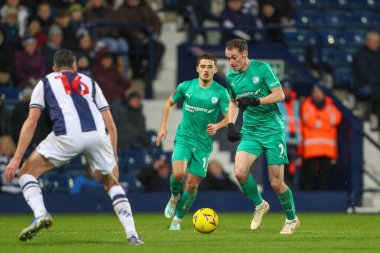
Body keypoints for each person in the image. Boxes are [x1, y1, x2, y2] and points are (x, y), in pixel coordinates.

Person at [4, 49, 143, 245]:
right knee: (111, 182)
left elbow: (32, 121)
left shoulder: (45, 82)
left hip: (67, 135)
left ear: (54, 68)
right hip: (97, 135)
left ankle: (40, 213)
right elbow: (110, 124)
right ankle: (133, 235)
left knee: (27, 172)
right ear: (76, 67)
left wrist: (17, 158)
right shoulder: (90, 81)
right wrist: (113, 157)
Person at [224, 38, 299, 234]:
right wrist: (231, 123)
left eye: (234, 57)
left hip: (272, 131)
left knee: (276, 183)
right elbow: (233, 102)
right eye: (228, 58)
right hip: (250, 132)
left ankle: (291, 219)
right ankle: (260, 205)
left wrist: (256, 101)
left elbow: (280, 95)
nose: (231, 62)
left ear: (245, 54)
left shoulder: (263, 68)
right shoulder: (231, 76)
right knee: (240, 172)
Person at [156, 53, 229, 230]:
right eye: (202, 66)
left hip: (203, 144)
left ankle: (177, 221)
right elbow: (168, 104)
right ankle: (174, 196)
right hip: (184, 138)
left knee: (192, 184)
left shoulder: (220, 92)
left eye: (209, 67)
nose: (206, 70)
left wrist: (218, 126)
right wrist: (163, 127)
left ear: (215, 70)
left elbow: (229, 118)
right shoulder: (186, 86)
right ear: (197, 69)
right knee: (179, 174)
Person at [300, 85, 342, 191]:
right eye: (315, 92)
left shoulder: (330, 106)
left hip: (327, 150)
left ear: (324, 93)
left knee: (325, 179)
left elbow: (336, 119)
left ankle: (326, 203)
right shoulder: (307, 105)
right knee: (309, 177)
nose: (317, 94)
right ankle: (308, 203)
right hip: (311, 150)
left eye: (320, 92)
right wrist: (327, 125)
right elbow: (309, 120)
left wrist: (319, 116)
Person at [277, 81, 302, 188]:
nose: (286, 91)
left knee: (294, 171)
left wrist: (300, 142)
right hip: (281, 142)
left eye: (288, 89)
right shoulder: (276, 102)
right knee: (282, 170)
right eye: (284, 88)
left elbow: (298, 124)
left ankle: (293, 192)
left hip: (294, 144)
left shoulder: (296, 104)